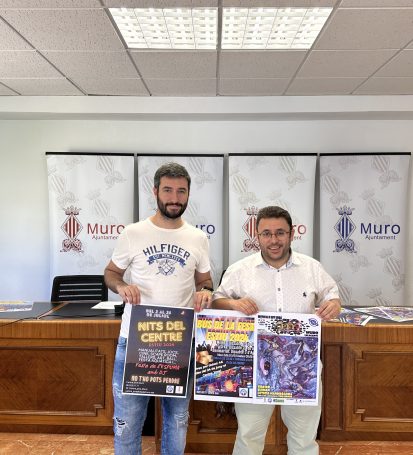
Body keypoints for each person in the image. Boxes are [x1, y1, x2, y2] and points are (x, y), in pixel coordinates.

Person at [212, 205, 341, 455]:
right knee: (248, 435)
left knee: (304, 438)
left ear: (291, 234)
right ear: (257, 236)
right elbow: (217, 301)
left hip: (303, 368)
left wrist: (334, 304)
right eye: (266, 234)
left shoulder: (312, 268)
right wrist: (233, 304)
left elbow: (332, 296)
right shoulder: (239, 270)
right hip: (255, 367)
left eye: (280, 233)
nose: (274, 240)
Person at [104, 162, 213, 455]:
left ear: (188, 194)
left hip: (179, 340)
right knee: (128, 421)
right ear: (155, 192)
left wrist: (205, 292)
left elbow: (204, 281)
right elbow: (111, 273)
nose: (175, 198)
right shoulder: (133, 233)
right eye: (168, 190)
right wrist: (121, 286)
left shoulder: (198, 238)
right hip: (136, 339)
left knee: (177, 420)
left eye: (181, 191)